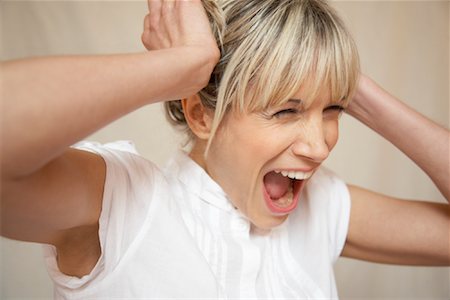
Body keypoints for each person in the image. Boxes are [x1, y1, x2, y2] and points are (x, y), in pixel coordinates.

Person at [1, 0, 448, 298]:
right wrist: (185, 63)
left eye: (333, 109)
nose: (319, 146)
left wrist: (347, 83)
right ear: (200, 115)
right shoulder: (121, 204)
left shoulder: (323, 208)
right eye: (285, 111)